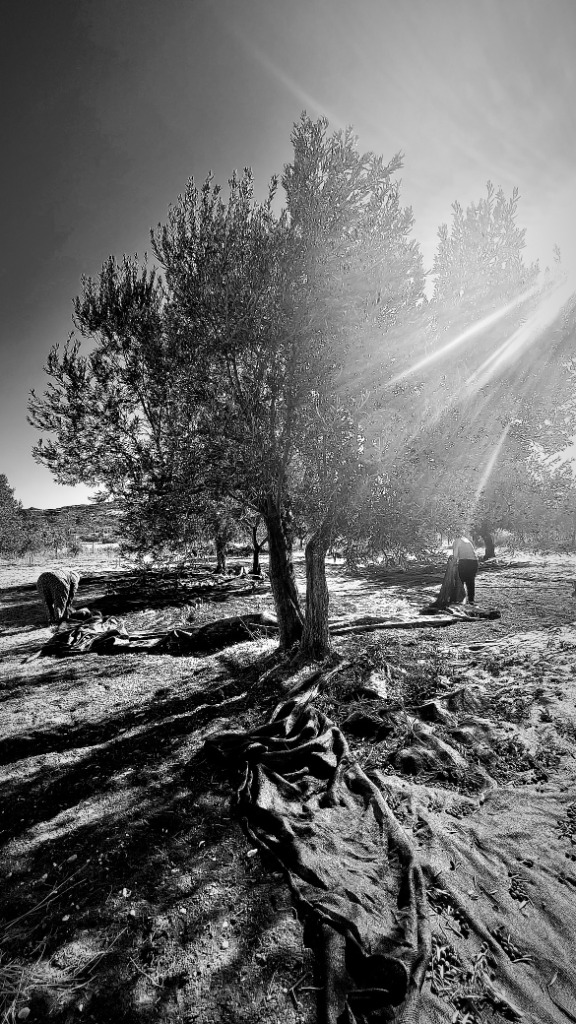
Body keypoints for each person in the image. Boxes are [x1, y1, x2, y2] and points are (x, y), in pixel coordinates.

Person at [452, 533, 479, 605]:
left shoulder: (456, 541)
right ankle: (471, 600)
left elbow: (455, 555)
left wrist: (453, 564)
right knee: (470, 581)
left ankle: (459, 599)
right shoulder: (466, 540)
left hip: (464, 561)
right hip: (474, 562)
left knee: (460, 580)